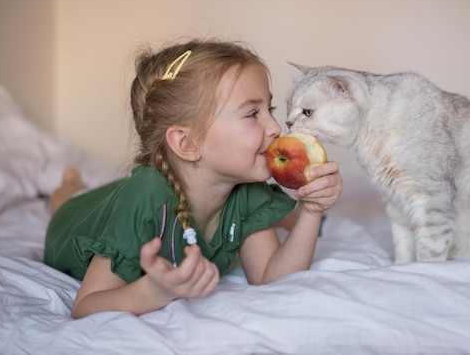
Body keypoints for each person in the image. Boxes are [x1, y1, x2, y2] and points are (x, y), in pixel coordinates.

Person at [44, 39, 343, 319]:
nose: (276, 127)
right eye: (253, 113)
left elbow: (269, 277)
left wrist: (310, 211)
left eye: (270, 109)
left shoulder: (247, 188)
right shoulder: (145, 196)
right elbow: (85, 306)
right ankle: (70, 181)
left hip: (137, 196)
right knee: (69, 199)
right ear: (187, 144)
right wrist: (152, 291)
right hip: (73, 218)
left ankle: (287, 216)